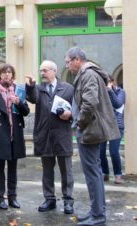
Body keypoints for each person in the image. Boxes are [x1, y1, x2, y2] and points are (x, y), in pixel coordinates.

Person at [65, 47, 120, 226]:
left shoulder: (87, 74)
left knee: (93, 174)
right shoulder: (88, 74)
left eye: (68, 62)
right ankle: (96, 211)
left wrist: (80, 123)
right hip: (91, 129)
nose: (67, 66)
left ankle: (97, 216)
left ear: (76, 60)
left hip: (90, 130)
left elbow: (89, 103)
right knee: (94, 172)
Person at [25, 60, 74, 214]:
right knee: (47, 170)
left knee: (66, 170)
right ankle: (49, 199)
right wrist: (31, 86)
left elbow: (76, 110)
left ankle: (68, 201)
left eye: (45, 70)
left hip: (62, 135)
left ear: (54, 71)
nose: (42, 73)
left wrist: (70, 115)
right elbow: (31, 98)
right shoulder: (38, 89)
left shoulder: (67, 88)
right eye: (41, 71)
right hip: (44, 136)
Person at [0, 63, 30, 210]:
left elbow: (26, 111)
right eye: (4, 72)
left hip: (15, 133)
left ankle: (12, 197)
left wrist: (18, 102)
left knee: (13, 168)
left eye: (9, 72)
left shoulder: (18, 89)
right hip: (0, 134)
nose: (7, 75)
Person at [100, 76, 125, 184]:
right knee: (100, 152)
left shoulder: (121, 92)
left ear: (112, 82)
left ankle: (118, 174)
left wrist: (110, 91)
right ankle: (105, 173)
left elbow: (118, 103)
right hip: (103, 125)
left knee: (114, 152)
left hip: (116, 126)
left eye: (107, 82)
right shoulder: (101, 93)